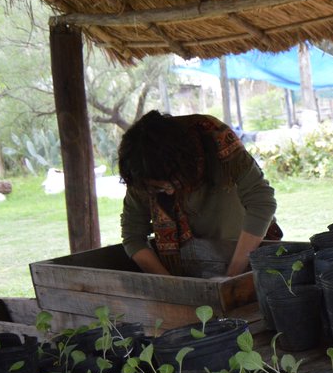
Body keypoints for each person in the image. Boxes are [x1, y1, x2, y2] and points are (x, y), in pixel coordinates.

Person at [118, 111, 279, 276]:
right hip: (185, 269)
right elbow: (133, 236)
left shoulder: (216, 140)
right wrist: (172, 286)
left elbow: (262, 203)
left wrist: (232, 277)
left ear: (187, 161)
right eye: (159, 188)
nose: (171, 192)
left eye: (174, 182)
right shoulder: (142, 170)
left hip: (243, 256)